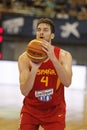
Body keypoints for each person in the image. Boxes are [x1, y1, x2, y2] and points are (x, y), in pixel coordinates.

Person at [18, 18, 72, 130]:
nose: (41, 32)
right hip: (31, 110)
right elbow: (24, 91)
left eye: (45, 30)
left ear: (52, 35)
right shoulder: (24, 58)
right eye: (38, 30)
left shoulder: (64, 56)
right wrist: (34, 68)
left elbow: (67, 83)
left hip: (54, 110)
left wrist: (53, 59)